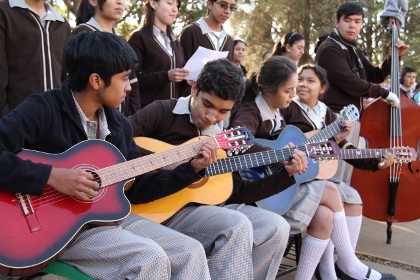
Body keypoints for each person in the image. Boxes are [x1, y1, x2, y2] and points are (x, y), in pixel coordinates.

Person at [0, 31, 250, 280]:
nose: (130, 87)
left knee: (190, 251)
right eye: (124, 78)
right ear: (96, 81)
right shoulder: (42, 110)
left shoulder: (117, 125)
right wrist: (51, 176)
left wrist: (189, 170)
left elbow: (137, 189)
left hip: (106, 221)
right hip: (52, 230)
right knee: (148, 258)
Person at [230, 56, 396, 280]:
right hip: (255, 189)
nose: (294, 94)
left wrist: (335, 140)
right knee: (330, 191)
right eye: (289, 90)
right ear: (269, 88)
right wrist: (278, 157)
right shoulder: (252, 111)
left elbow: (300, 146)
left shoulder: (278, 112)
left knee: (325, 215)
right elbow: (238, 141)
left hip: (280, 184)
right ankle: (350, 265)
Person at [129, 58, 296, 280]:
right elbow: (116, 140)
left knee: (276, 227)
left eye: (222, 111)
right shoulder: (161, 111)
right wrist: (168, 163)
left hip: (204, 205)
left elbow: (237, 193)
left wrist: (286, 174)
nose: (211, 117)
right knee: (236, 226)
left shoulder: (222, 138)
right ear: (195, 87)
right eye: (207, 104)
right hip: (159, 205)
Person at [283, 63, 395, 279]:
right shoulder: (289, 107)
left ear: (323, 88)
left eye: (310, 80)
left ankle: (342, 264)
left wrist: (377, 162)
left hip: (318, 175)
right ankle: (336, 270)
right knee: (335, 198)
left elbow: (343, 149)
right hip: (296, 176)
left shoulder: (326, 114)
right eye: (300, 79)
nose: (303, 84)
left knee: (353, 197)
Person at [315, 1, 408, 113]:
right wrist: (384, 93)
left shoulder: (353, 48)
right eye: (347, 20)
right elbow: (351, 83)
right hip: (334, 117)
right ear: (336, 22)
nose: (352, 25)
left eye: (357, 21)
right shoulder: (330, 48)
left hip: (350, 117)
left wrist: (395, 57)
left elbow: (376, 76)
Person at [0, 0, 71, 117]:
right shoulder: (4, 13)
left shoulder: (62, 24)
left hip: (56, 123)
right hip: (17, 123)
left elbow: (65, 80)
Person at [72, 0, 141, 116]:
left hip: (121, 125)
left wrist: (131, 122)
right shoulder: (82, 36)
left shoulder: (122, 42)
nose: (120, 2)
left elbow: (133, 86)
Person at [128, 0, 189, 108]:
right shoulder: (139, 38)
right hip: (149, 113)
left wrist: (187, 79)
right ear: (153, 4)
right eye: (170, 3)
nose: (175, 9)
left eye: (177, 5)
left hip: (174, 113)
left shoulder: (175, 42)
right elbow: (133, 79)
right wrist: (166, 76)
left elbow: (178, 84)